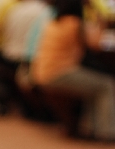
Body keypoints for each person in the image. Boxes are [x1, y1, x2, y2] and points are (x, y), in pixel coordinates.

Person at [31, 0, 115, 140]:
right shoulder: (74, 23)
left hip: (43, 71)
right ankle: (106, 131)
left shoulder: (55, 22)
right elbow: (96, 43)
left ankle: (90, 127)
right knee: (105, 85)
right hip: (58, 73)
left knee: (94, 83)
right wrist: (101, 20)